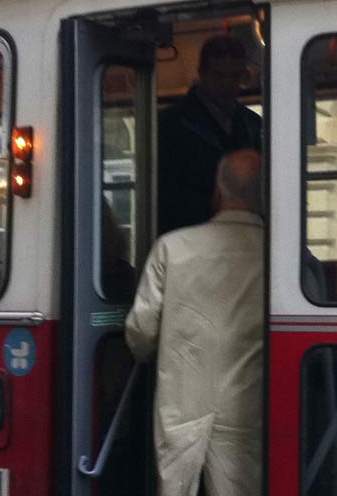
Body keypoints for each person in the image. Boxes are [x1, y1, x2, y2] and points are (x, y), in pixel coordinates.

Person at [126, 150, 264, 496]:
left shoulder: (170, 248)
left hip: (180, 405)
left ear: (217, 193)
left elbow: (141, 333)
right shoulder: (281, 257)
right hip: (247, 405)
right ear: (266, 195)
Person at [158, 34, 262, 235]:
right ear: (201, 74)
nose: (227, 84)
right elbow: (165, 194)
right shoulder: (170, 124)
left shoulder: (254, 125)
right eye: (219, 76)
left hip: (246, 234)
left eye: (235, 76)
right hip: (189, 235)